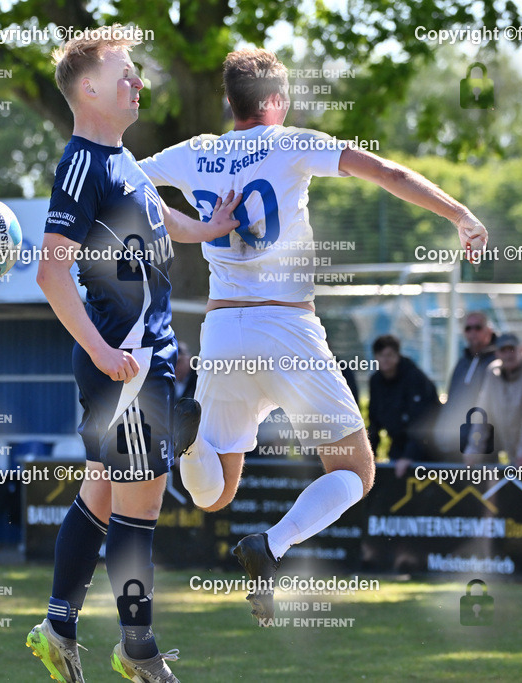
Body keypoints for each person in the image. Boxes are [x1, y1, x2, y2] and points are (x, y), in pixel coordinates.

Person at [137, 47, 488, 622]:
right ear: (275, 102)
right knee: (354, 470)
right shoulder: (292, 141)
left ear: (229, 102)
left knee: (211, 493)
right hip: (287, 328)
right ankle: (272, 545)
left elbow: (119, 180)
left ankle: (187, 433)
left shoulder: (195, 152)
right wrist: (459, 214)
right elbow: (389, 173)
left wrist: (184, 227)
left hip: (222, 330)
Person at [25, 28, 239, 683]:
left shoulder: (124, 163)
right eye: (125, 73)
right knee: (138, 510)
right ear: (89, 88)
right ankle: (137, 649)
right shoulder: (84, 162)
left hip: (143, 361)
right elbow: (50, 272)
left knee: (101, 496)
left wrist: (208, 227)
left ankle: (59, 626)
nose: (138, 82)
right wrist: (103, 349)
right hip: (127, 367)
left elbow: (155, 215)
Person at [464, 333, 522, 465]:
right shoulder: (493, 372)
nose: (508, 355)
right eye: (503, 350)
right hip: (512, 451)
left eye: (512, 349)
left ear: (521, 350)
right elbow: (483, 413)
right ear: (497, 353)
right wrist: (474, 449)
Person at [367, 335, 440, 477]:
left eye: (390, 355)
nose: (385, 360)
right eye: (381, 355)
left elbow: (421, 422)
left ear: (397, 356)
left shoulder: (415, 378)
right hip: (398, 446)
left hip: (427, 449)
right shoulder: (376, 381)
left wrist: (408, 456)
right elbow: (374, 422)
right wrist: (369, 457)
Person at [436, 311, 498, 460]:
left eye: (478, 327)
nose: (473, 332)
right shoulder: (462, 362)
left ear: (489, 330)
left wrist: (477, 445)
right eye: (468, 328)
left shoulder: (496, 363)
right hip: (453, 449)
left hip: (482, 452)